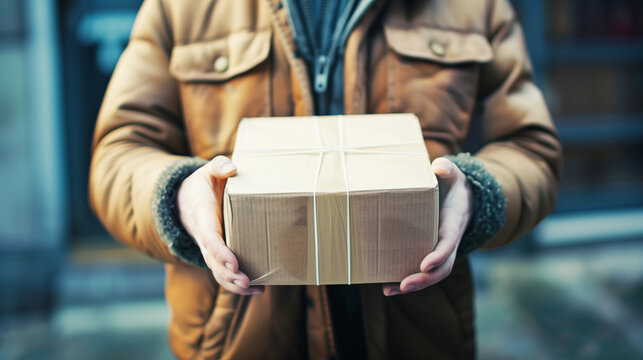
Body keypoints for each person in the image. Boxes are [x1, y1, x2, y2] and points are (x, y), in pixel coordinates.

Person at [89, 0, 562, 358]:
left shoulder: (474, 7)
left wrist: (478, 195)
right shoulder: (181, 8)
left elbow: (531, 149)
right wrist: (178, 197)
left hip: (418, 334)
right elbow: (117, 155)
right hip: (238, 339)